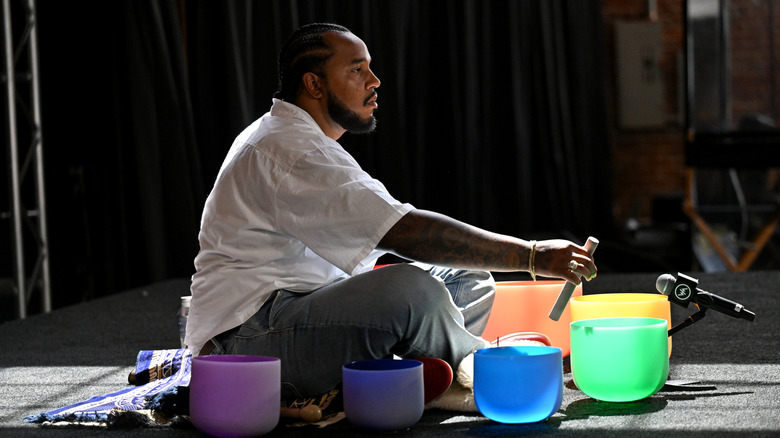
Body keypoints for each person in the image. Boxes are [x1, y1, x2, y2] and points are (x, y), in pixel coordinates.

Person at [184, 22, 597, 407]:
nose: (374, 81)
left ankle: (419, 375)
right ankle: (477, 367)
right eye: (356, 70)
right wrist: (532, 256)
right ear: (314, 84)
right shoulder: (289, 149)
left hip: (294, 313)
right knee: (413, 290)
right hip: (244, 346)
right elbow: (403, 232)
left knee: (467, 277)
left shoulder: (298, 138)